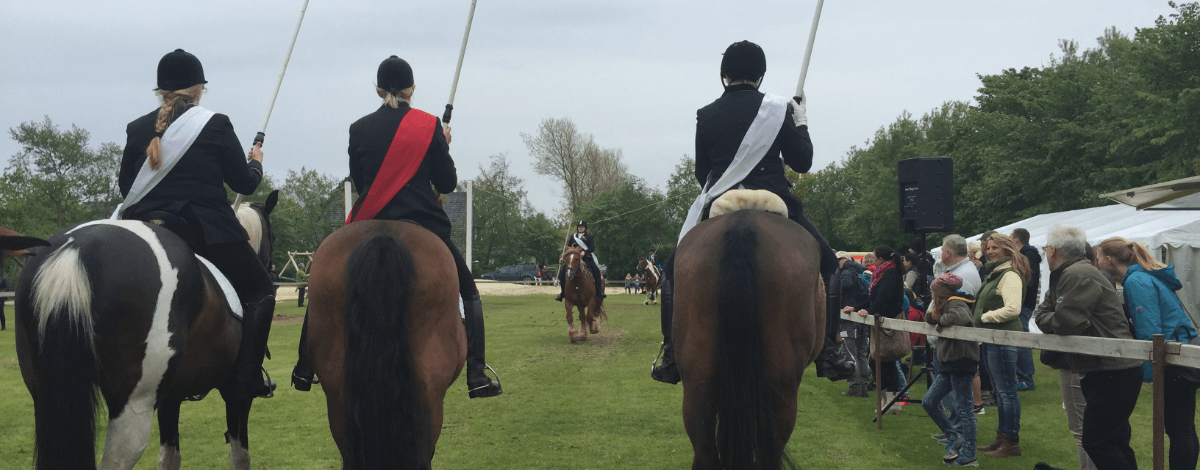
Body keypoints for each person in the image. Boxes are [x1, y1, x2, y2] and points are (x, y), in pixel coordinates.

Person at [293, 55, 501, 398]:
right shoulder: (429, 125)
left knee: (321, 287)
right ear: (412, 89)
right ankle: (477, 373)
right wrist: (442, 147)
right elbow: (446, 183)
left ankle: (303, 368)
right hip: (423, 223)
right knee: (469, 291)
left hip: (370, 222)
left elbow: (362, 185)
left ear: (377, 91)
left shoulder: (358, 128)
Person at [651, 40, 851, 385]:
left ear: (723, 74)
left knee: (669, 272)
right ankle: (831, 350)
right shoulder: (778, 110)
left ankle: (670, 352)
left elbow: (703, 175)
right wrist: (800, 122)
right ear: (761, 75)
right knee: (831, 264)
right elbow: (802, 161)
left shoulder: (707, 113)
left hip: (722, 201)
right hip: (773, 201)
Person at [117, 49, 275, 399]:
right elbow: (245, 185)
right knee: (261, 291)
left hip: (147, 228)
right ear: (198, 89)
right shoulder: (215, 124)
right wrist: (256, 164)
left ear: (160, 91)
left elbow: (127, 189)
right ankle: (248, 378)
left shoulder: (138, 128)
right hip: (205, 230)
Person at [1035, 225, 1144, 470]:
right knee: (1113, 441)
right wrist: (1055, 318)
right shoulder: (1069, 273)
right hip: (1109, 367)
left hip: (1112, 368)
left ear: (1052, 250)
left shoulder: (1077, 274)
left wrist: (1056, 318)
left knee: (1098, 442)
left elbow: (1064, 322)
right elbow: (1048, 315)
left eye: (1045, 249)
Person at [1096, 237, 1199, 470]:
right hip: (1180, 354)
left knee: (1178, 428)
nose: (1097, 262)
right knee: (1182, 427)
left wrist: (1150, 372)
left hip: (1174, 360)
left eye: (1098, 257)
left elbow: (1150, 333)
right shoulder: (1141, 277)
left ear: (1108, 260)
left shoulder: (1136, 281)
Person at [972, 233, 1030, 458]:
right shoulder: (996, 274)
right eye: (988, 247)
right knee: (1001, 391)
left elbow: (1012, 309)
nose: (990, 251)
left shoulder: (1010, 275)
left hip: (1004, 339)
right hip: (993, 339)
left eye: (995, 247)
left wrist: (984, 318)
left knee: (1007, 392)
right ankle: (1002, 437)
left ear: (1007, 249)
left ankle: (1011, 441)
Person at [922, 273, 980, 468]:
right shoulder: (946, 304)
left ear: (939, 293)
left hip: (961, 362)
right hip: (949, 363)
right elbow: (929, 317)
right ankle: (954, 437)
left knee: (965, 410)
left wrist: (941, 320)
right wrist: (935, 317)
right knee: (929, 401)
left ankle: (970, 454)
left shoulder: (956, 303)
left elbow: (960, 317)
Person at [843, 246, 907, 411]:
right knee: (882, 360)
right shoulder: (884, 274)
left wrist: (869, 311)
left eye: (875, 257)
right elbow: (873, 298)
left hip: (888, 322)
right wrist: (856, 308)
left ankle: (891, 400)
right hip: (881, 321)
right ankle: (889, 400)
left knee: (884, 359)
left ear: (881, 259)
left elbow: (882, 299)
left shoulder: (890, 274)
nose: (872, 259)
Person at [833, 251, 871, 397]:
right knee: (861, 353)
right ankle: (863, 385)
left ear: (843, 260)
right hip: (861, 317)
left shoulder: (847, 272)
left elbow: (845, 285)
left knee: (848, 351)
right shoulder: (861, 270)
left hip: (848, 318)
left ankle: (854, 387)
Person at [1011, 228, 1040, 392]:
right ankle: (1023, 375)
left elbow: (1028, 280)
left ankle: (1026, 378)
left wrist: (1016, 296)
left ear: (1016, 240)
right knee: (1019, 338)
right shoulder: (1027, 254)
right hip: (1022, 302)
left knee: (1021, 339)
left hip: (1023, 303)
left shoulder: (1029, 254)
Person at [557, 221, 606, 301]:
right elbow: (568, 248)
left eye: (582, 227)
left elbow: (592, 248)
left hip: (586, 257)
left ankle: (599, 292)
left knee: (596, 271)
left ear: (585, 228)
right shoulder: (572, 237)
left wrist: (585, 252)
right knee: (562, 274)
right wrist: (562, 258)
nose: (580, 228)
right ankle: (562, 293)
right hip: (574, 258)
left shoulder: (589, 237)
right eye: (579, 227)